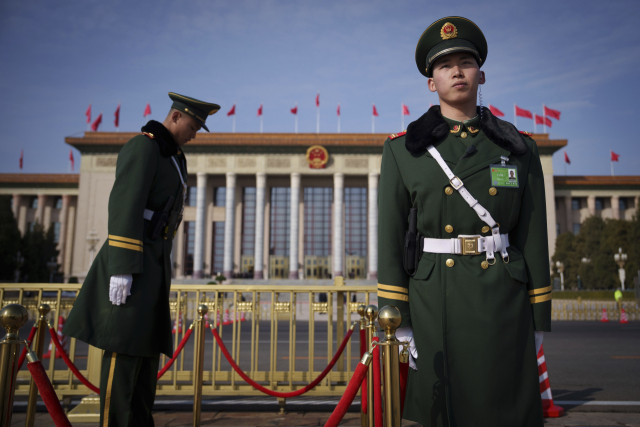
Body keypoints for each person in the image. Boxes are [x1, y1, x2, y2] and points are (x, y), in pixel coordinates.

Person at [377, 17, 551, 426]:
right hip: (435, 296)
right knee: (444, 410)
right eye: (444, 65)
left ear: (481, 74)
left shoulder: (517, 148)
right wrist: (396, 318)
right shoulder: (404, 151)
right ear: (431, 83)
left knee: (504, 409)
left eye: (466, 62)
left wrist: (539, 314)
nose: (457, 71)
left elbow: (532, 233)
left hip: (503, 298)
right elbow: (391, 236)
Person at [64, 92, 220, 426]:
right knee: (125, 349)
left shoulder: (174, 157)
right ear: (175, 117)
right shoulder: (144, 147)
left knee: (146, 350)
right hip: (133, 262)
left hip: (154, 263)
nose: (195, 134)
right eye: (193, 126)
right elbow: (125, 207)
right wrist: (122, 268)